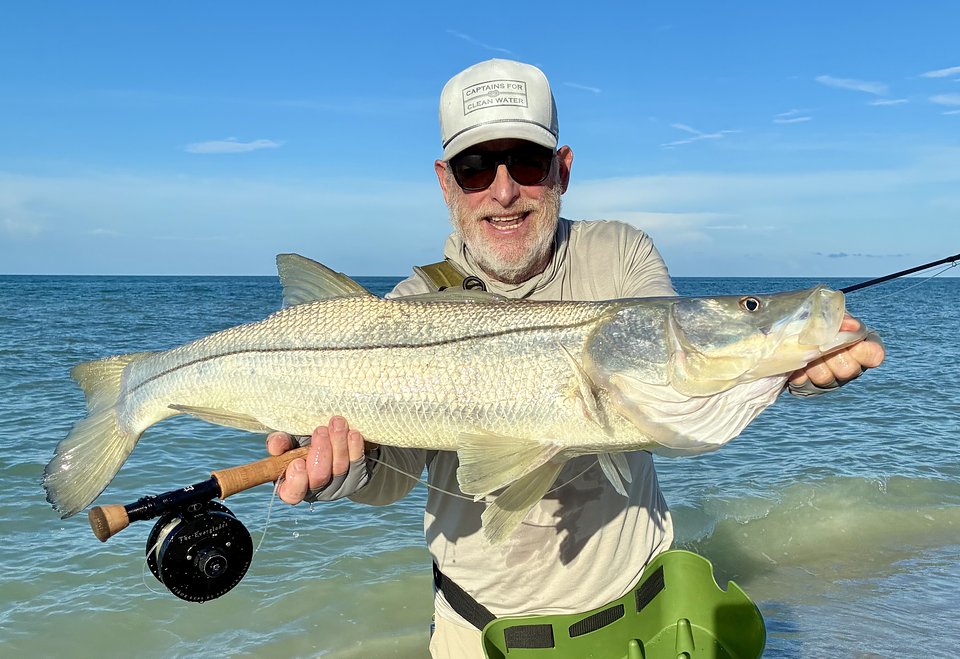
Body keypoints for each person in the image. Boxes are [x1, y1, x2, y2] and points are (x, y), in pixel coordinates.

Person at [266, 59, 885, 657]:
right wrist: (340, 470)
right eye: (476, 168)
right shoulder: (410, 305)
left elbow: (673, 368)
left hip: (645, 616)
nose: (504, 193)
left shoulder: (620, 255)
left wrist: (787, 370)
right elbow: (389, 471)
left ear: (562, 168)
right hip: (478, 636)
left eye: (528, 164)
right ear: (444, 181)